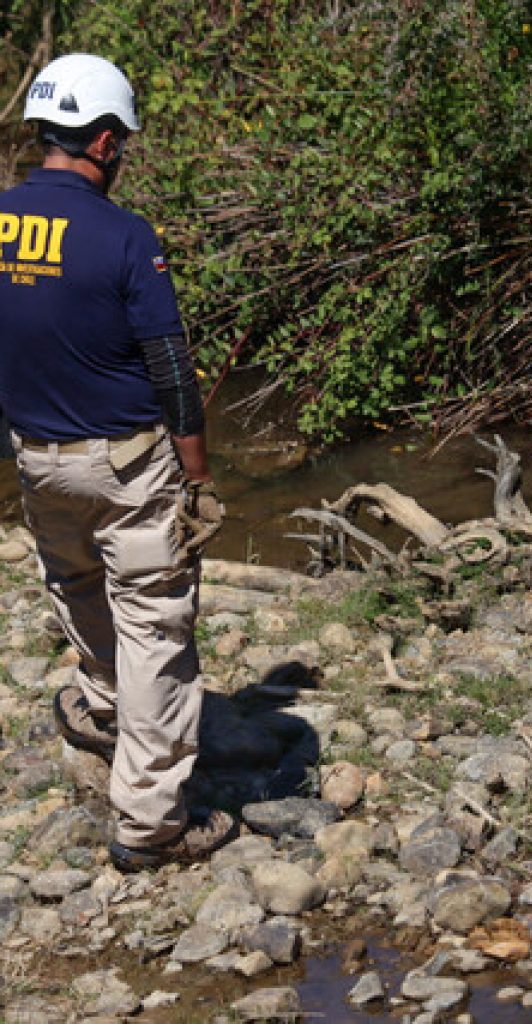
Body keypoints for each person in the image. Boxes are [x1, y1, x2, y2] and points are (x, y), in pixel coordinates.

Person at [0, 53, 238, 870]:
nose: (123, 155)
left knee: (75, 586)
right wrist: (198, 477)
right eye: (122, 141)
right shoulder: (126, 235)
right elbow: (171, 368)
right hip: (129, 468)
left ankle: (102, 706)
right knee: (155, 627)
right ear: (102, 141)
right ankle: (149, 825)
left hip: (36, 461)